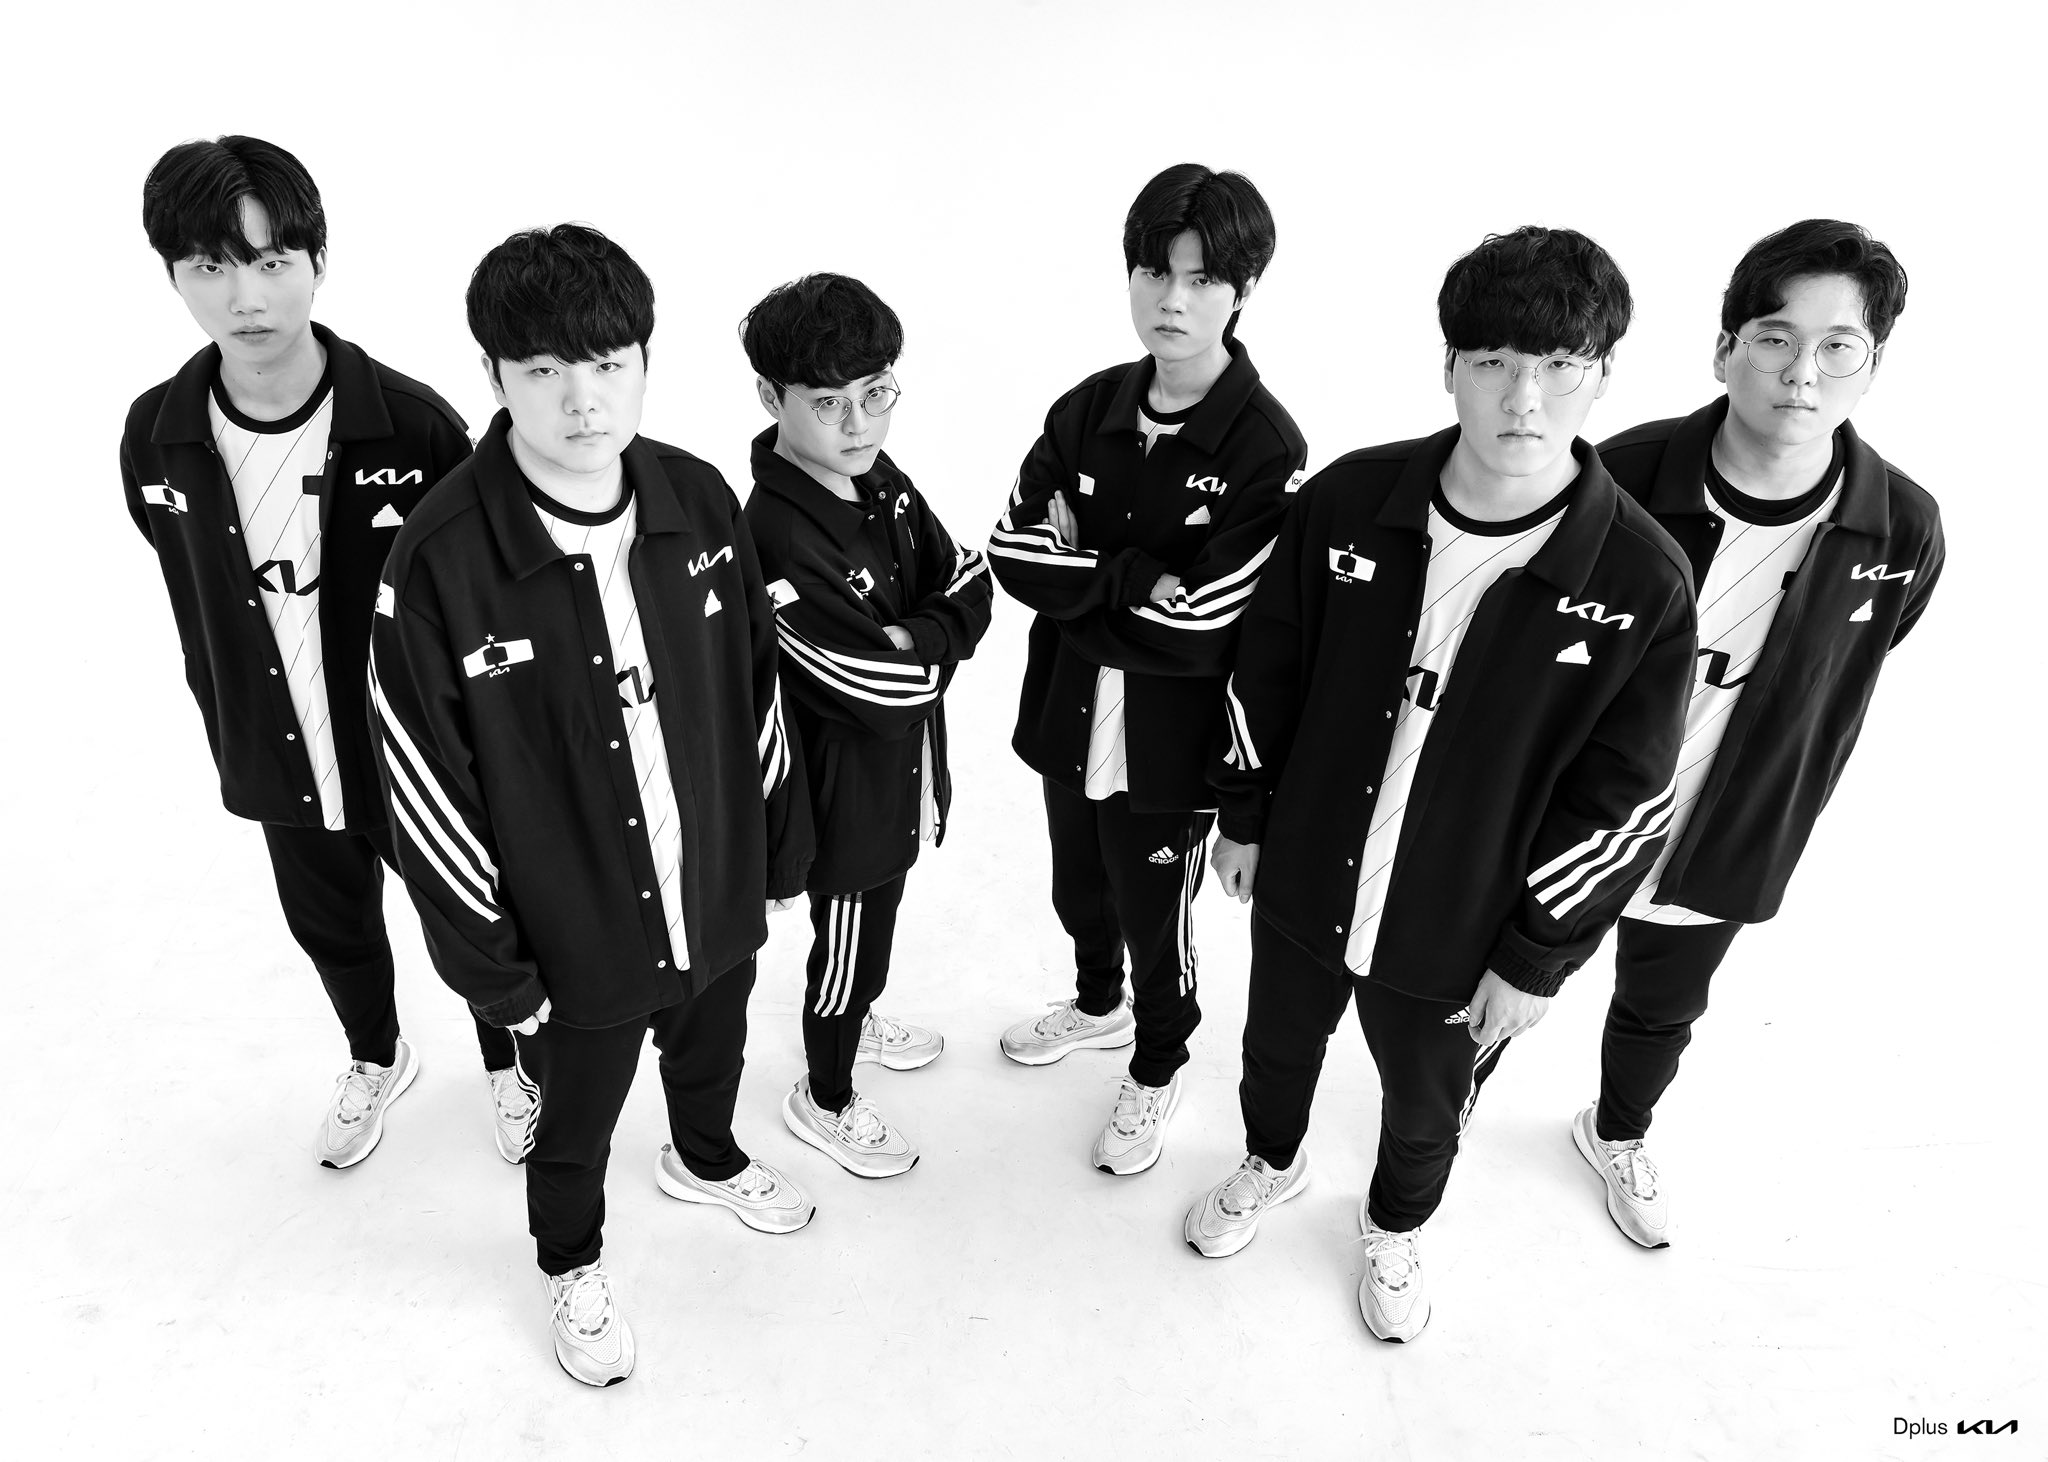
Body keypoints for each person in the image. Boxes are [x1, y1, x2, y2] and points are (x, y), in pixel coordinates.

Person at [1184, 227, 1694, 1343]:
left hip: (1465, 925)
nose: (1524, 396)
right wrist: (1244, 816)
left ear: (1603, 375)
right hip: (1306, 869)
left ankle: (1394, 1224)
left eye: (1560, 365)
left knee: (1427, 1104)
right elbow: (1265, 666)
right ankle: (1270, 1159)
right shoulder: (1349, 499)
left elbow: (1625, 800)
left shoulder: (1638, 575)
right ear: (1449, 365)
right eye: (1493, 361)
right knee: (1276, 1045)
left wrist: (1536, 954)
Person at [369, 224, 815, 1387]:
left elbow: (756, 687)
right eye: (543, 371)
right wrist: (497, 971)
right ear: (494, 375)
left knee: (712, 1048)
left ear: (644, 362)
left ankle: (706, 1158)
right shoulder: (440, 558)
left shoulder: (698, 498)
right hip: (573, 932)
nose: (582, 400)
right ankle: (569, 1259)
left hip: (709, 885)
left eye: (608, 364)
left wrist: (776, 851)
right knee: (573, 1127)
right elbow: (423, 788)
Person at [119, 135, 529, 1171]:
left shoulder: (414, 427)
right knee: (330, 925)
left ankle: (510, 1063)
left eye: (271, 262)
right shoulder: (155, 433)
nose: (245, 296)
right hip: (273, 742)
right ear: (173, 276)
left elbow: (479, 597)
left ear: (318, 261)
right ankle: (374, 1055)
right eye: (210, 266)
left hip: (418, 753)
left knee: (474, 918)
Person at [1554, 219, 1942, 1248]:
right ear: (1724, 348)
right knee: (1493, 988)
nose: (1801, 373)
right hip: (1572, 809)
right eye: (1774, 338)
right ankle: (1432, 1134)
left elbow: (1849, 662)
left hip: (1730, 821)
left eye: (1837, 346)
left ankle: (1617, 1131)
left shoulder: (1901, 526)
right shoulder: (1615, 476)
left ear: (1872, 364)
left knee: (1661, 1006)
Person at [987, 164, 1307, 1175]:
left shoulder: (1266, 447)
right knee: (1076, 889)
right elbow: (1009, 553)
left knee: (1151, 917)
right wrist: (1137, 582)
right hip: (1067, 713)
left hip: (1173, 748)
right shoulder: (1086, 408)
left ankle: (1158, 1062)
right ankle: (1096, 1006)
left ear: (1242, 290)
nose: (1171, 299)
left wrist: (1084, 574)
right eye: (1153, 271)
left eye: (1201, 278)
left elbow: (1209, 619)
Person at [740, 275, 993, 1179]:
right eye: (829, 403)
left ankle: (860, 1013)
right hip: (840, 800)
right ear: (771, 397)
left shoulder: (878, 479)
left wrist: (911, 636)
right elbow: (879, 690)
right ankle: (828, 1093)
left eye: (876, 393)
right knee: (847, 945)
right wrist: (921, 646)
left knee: (872, 932)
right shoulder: (774, 534)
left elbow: (971, 577)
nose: (859, 425)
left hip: (900, 774)